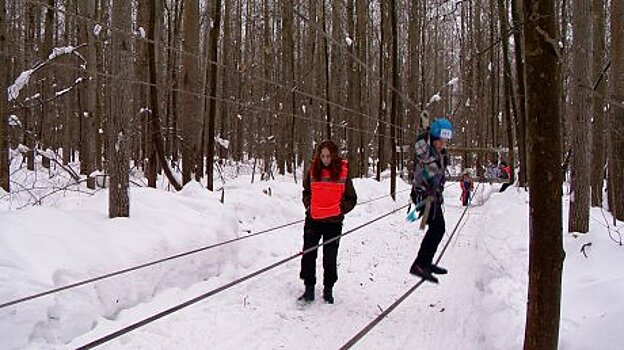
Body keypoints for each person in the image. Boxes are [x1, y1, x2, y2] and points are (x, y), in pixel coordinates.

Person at [299, 140, 357, 304]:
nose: (325, 159)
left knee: (330, 257)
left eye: (328, 156)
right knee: (309, 254)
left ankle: (328, 289)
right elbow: (306, 190)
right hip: (313, 220)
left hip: (333, 222)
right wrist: (308, 204)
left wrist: (340, 209)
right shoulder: (313, 170)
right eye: (323, 156)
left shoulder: (343, 172)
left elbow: (352, 198)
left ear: (334, 156)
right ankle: (309, 288)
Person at [409, 118, 453, 283]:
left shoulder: (438, 153)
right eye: (440, 141)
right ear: (433, 138)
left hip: (433, 195)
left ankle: (425, 262)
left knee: (438, 229)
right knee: (438, 228)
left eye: (445, 142)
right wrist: (426, 132)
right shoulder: (425, 149)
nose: (442, 145)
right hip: (423, 195)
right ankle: (420, 264)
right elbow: (420, 144)